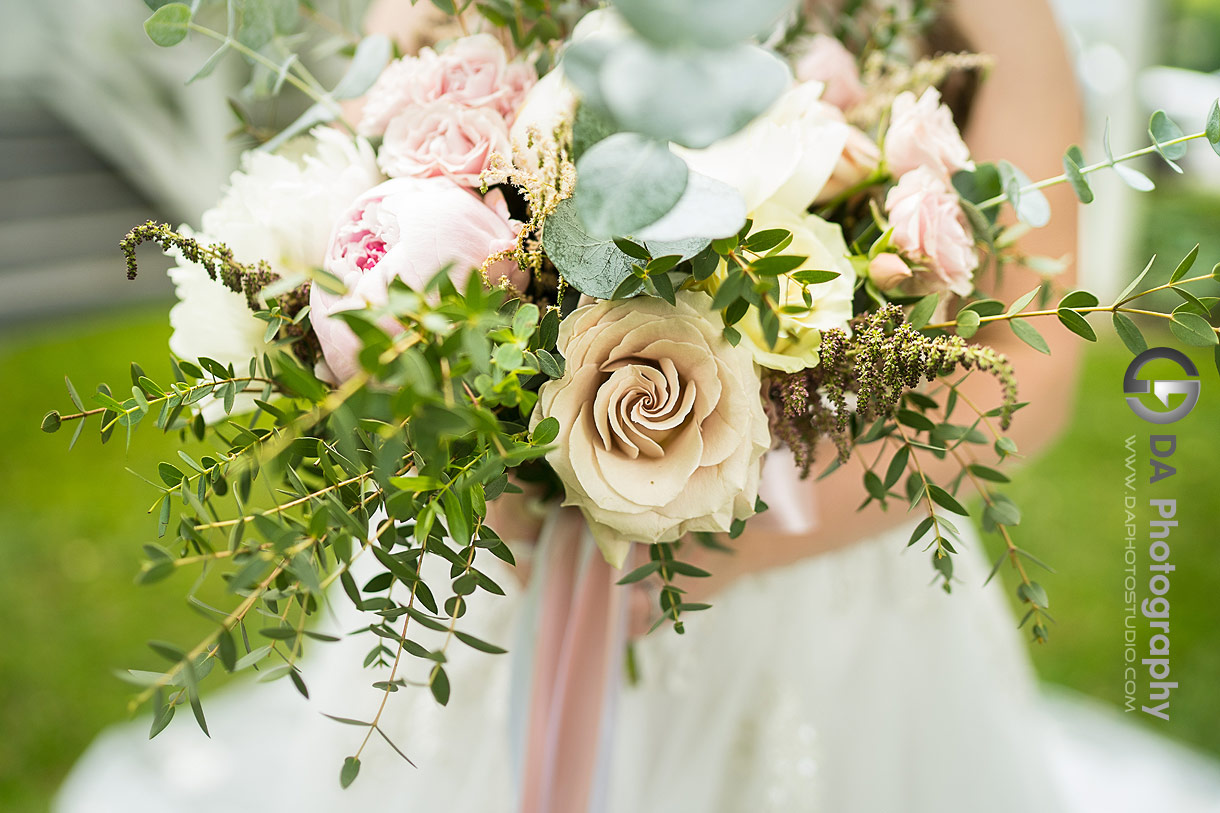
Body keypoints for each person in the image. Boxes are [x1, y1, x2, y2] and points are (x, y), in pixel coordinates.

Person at [55, 2, 1220, 812]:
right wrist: (468, 430)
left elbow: (1028, 380)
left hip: (820, 595)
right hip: (508, 568)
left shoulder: (980, 12)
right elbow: (377, 163)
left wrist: (692, 520)